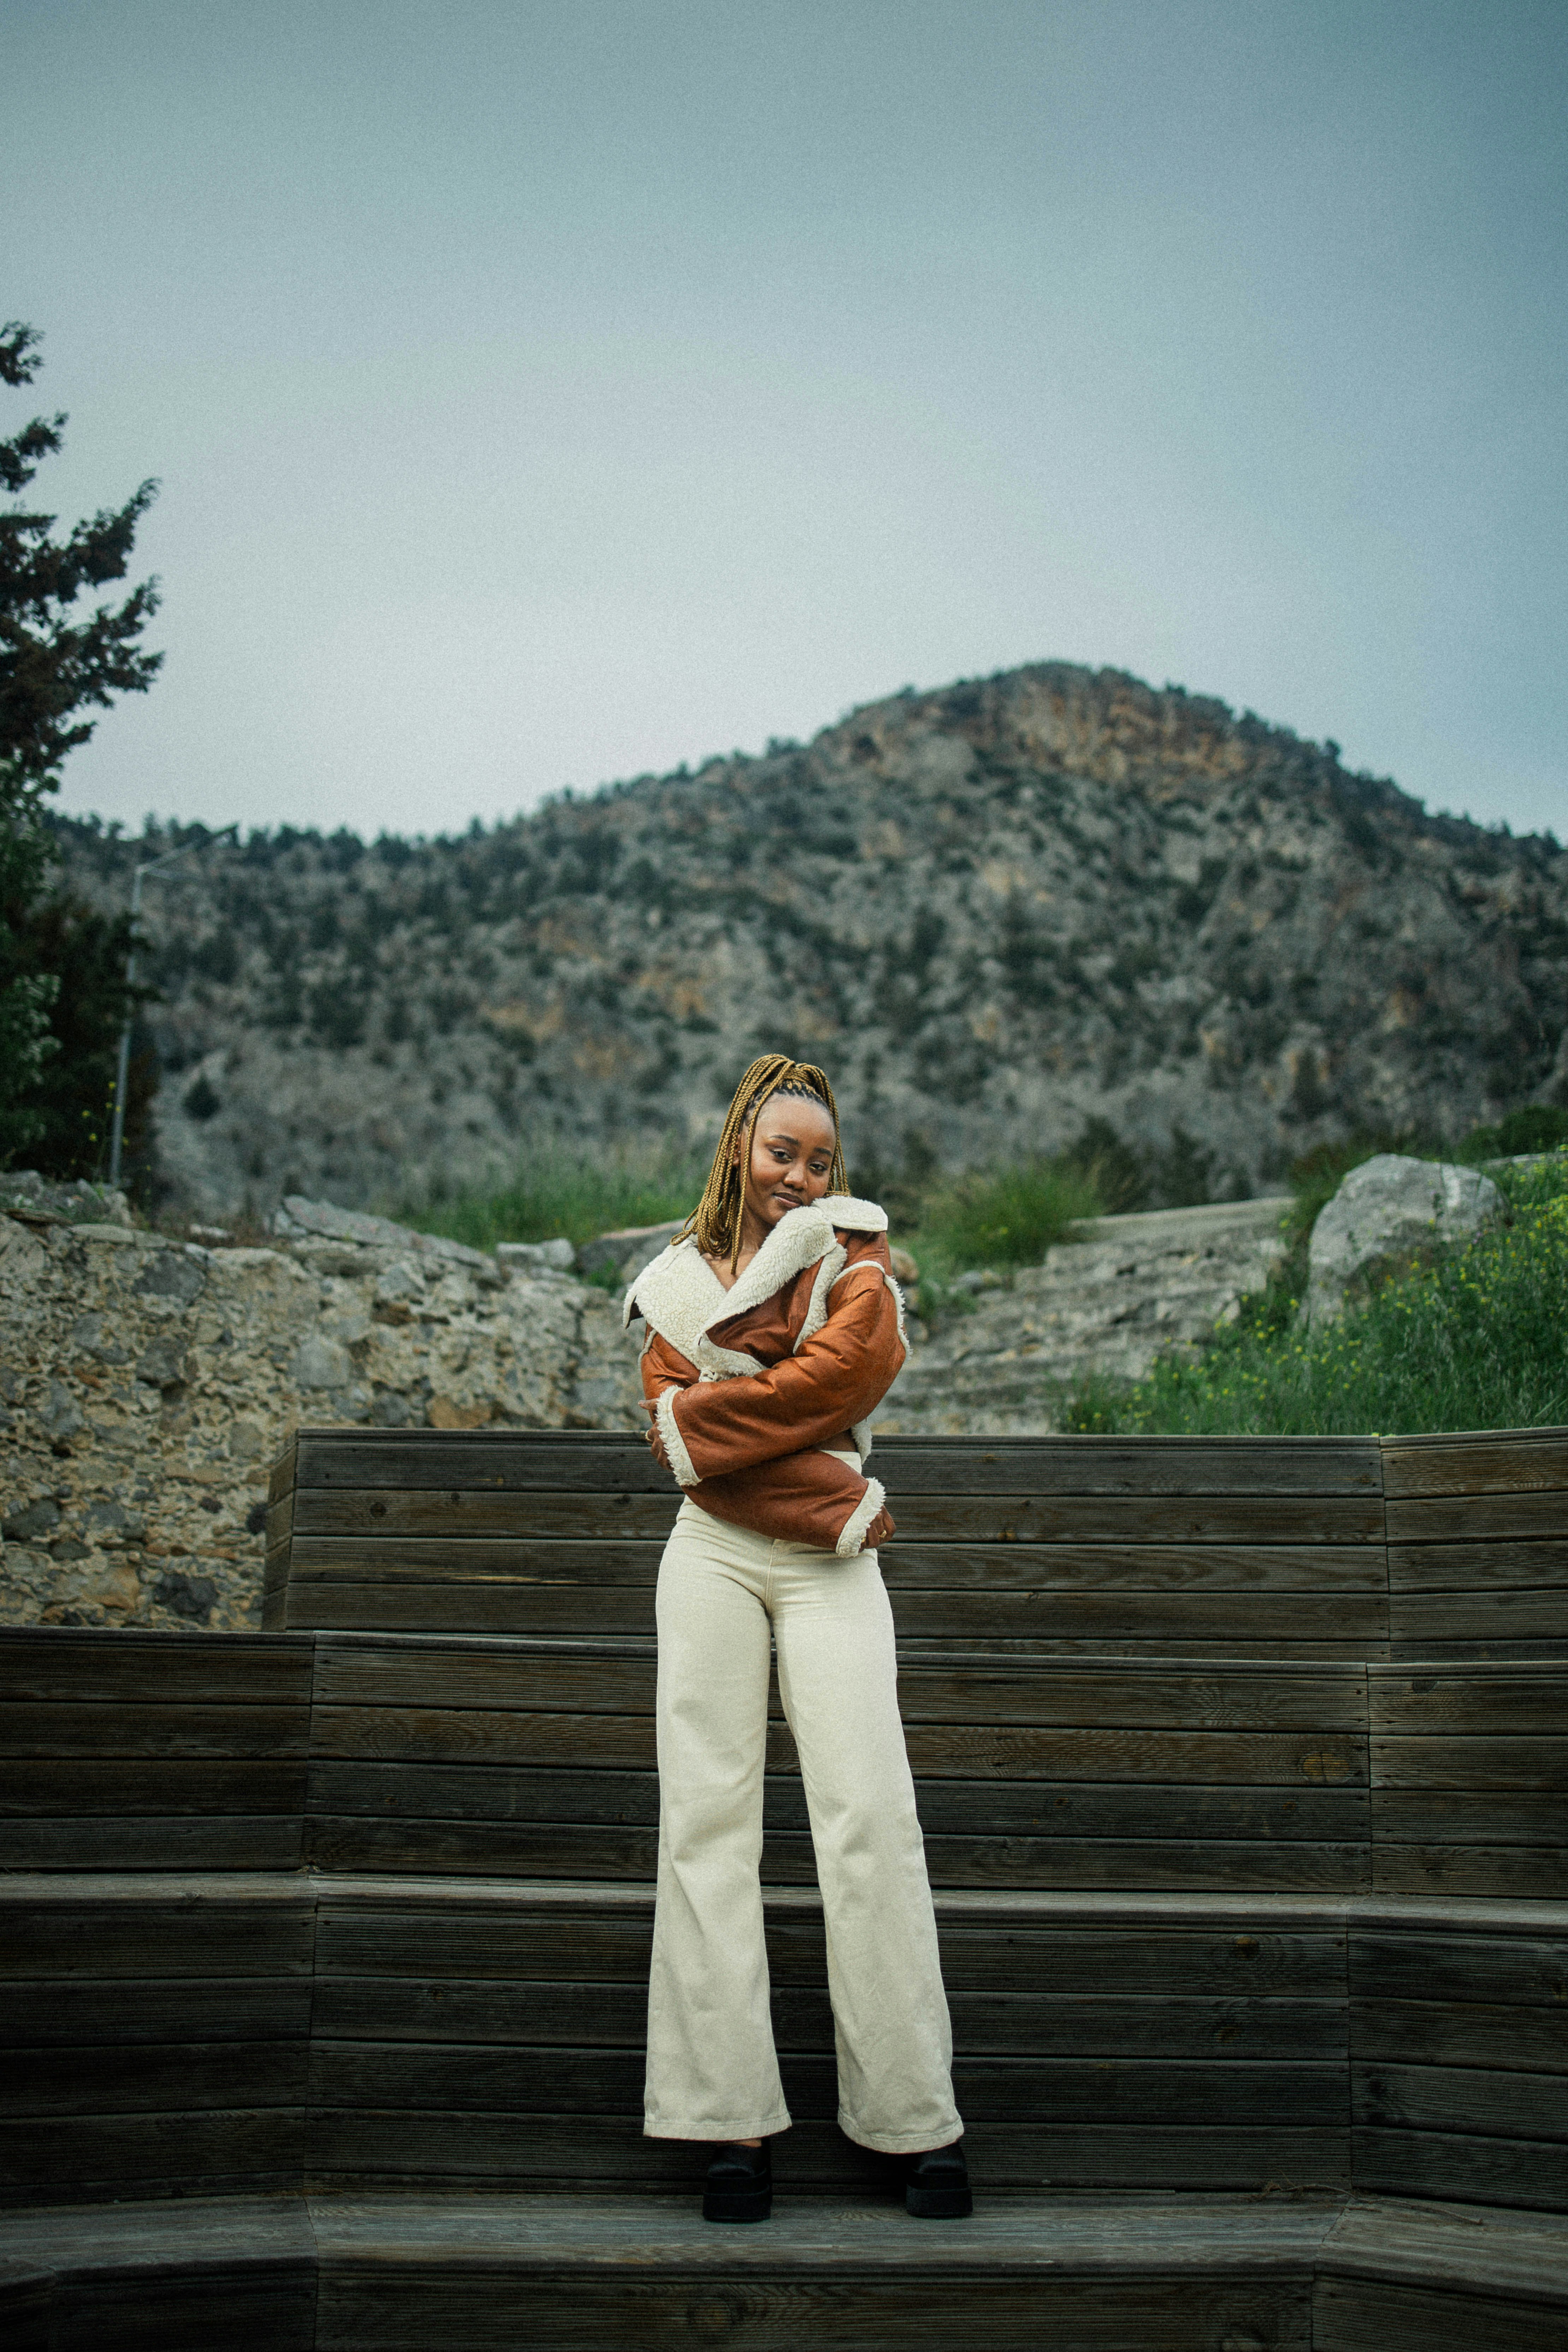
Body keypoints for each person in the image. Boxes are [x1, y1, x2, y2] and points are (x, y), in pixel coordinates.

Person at [625, 1054, 969, 2225]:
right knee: (706, 1825)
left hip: (831, 1554)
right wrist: (774, 1413)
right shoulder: (673, 1280)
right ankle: (727, 2120)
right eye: (783, 1151)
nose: (801, 1175)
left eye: (820, 1159)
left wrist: (714, 1419)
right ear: (741, 1144)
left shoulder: (853, 1253)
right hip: (710, 1553)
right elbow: (672, 1410)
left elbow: (850, 1372)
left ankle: (915, 2118)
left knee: (870, 1814)